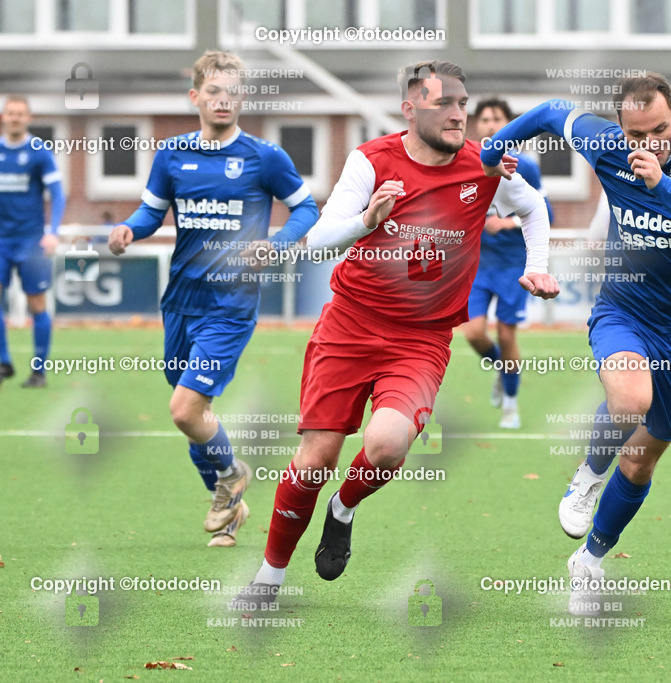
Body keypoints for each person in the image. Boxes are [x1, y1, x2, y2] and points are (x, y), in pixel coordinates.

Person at [231, 60, 558, 609]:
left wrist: (539, 263)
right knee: (314, 461)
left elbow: (533, 207)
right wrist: (366, 220)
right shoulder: (372, 160)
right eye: (443, 105)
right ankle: (268, 580)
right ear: (410, 109)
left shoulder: (486, 164)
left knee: (384, 447)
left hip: (420, 340)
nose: (458, 116)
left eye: (463, 104)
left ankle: (343, 509)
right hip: (350, 326)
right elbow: (318, 241)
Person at [481, 73, 671, 614]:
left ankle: (589, 561)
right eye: (637, 133)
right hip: (623, 310)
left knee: (643, 462)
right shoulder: (606, 145)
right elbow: (553, 112)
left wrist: (662, 187)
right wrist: (494, 149)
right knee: (628, 401)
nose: (649, 143)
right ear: (619, 128)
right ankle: (587, 475)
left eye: (661, 129)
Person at [108, 51, 319, 547]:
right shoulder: (172, 154)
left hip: (230, 304)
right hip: (180, 301)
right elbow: (150, 212)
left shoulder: (264, 157)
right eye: (214, 92)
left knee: (184, 409)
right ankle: (229, 506)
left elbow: (306, 208)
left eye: (233, 93)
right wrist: (126, 230)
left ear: (243, 98)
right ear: (196, 97)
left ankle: (231, 474)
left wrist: (278, 243)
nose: (223, 101)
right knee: (196, 418)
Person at [464, 97, 554, 428]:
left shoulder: (524, 166)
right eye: (485, 119)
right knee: (473, 333)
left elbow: (548, 213)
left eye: (497, 119)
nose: (490, 124)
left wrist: (508, 222)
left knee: (506, 334)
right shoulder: (466, 162)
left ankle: (511, 405)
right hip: (477, 264)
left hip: (513, 263)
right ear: (477, 125)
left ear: (508, 125)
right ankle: (503, 369)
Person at [0, 95, 65, 388]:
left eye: (20, 114)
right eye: (10, 113)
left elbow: (58, 194)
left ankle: (38, 372)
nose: (15, 118)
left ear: (28, 118)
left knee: (36, 304)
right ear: (3, 117)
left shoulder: (39, 152)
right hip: (1, 240)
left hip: (31, 241)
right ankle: (4, 363)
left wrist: (52, 231)